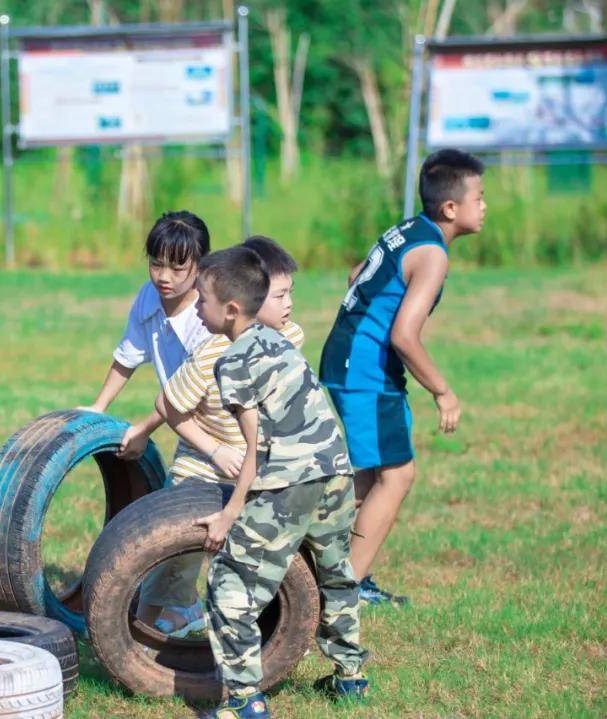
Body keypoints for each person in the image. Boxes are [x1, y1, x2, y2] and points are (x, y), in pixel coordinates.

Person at [192, 247, 369, 718]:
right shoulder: (279, 342)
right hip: (336, 471)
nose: (196, 307)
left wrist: (229, 515)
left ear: (231, 309)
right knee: (336, 573)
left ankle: (244, 702)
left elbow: (255, 449)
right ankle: (350, 677)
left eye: (202, 299)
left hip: (289, 483)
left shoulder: (232, 363)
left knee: (230, 586)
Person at [319, 149, 486, 605]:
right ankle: (344, 589)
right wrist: (443, 391)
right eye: (479, 197)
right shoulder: (433, 254)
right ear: (450, 207)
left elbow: (357, 274)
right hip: (365, 371)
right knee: (397, 475)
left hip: (347, 359)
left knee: (374, 473)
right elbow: (404, 336)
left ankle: (324, 558)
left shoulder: (410, 229)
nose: (484, 206)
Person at [139, 237, 305, 637]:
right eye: (278, 295)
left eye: (289, 293)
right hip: (202, 468)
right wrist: (215, 450)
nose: (288, 305)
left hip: (254, 470)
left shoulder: (291, 337)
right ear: (245, 299)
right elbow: (169, 406)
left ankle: (250, 627)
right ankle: (139, 630)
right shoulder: (213, 352)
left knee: (252, 551)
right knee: (173, 558)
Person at [80, 211, 212, 460]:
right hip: (188, 425)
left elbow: (183, 389)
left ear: (201, 267)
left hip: (224, 426)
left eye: (177, 268)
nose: (163, 277)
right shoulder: (149, 295)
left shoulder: (207, 317)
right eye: (156, 264)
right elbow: (127, 357)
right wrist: (98, 407)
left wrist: (143, 430)